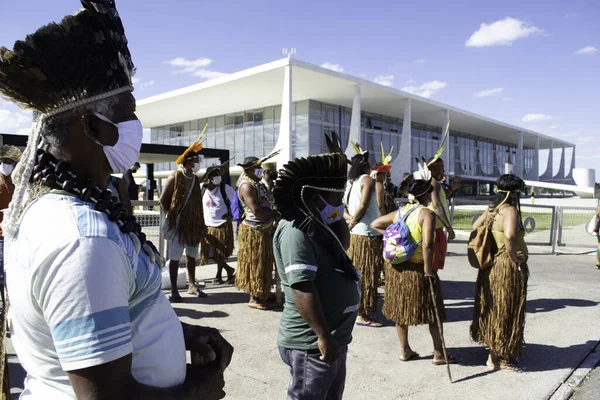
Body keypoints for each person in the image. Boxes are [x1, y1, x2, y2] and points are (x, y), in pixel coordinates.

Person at [0, 2, 233, 398]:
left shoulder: (73, 213)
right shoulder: (80, 241)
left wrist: (182, 333)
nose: (136, 127)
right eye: (128, 114)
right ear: (91, 126)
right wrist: (201, 390)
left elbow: (103, 318)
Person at [273, 132, 360, 400]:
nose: (339, 205)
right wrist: (323, 336)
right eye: (335, 199)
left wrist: (336, 215)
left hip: (334, 339)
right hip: (312, 343)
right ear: (311, 198)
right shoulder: (296, 231)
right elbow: (301, 287)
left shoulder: (320, 224)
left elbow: (343, 245)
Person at [371, 168, 455, 365]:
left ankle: (404, 350)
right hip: (418, 268)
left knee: (401, 312)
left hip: (399, 269)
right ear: (425, 194)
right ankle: (438, 353)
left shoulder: (401, 211)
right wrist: (428, 270)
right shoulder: (426, 214)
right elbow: (427, 244)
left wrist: (395, 241)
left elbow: (375, 223)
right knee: (434, 313)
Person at [470, 174, 529, 370]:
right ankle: (499, 358)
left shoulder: (493, 210)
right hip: (505, 267)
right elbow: (511, 236)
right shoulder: (510, 211)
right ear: (514, 194)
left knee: (495, 308)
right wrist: (515, 259)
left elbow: (474, 226)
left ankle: (497, 354)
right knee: (504, 310)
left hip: (491, 267)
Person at [160, 136, 207, 302]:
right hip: (179, 224)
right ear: (187, 162)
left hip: (193, 225)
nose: (197, 163)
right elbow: (163, 199)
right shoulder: (175, 177)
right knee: (174, 257)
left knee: (192, 255)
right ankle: (174, 291)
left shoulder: (194, 178)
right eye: (195, 160)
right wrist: (172, 216)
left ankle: (192, 285)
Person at [344, 145, 383, 327]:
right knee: (368, 275)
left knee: (358, 274)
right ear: (367, 165)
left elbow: (342, 205)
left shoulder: (350, 181)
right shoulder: (367, 180)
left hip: (355, 235)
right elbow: (363, 204)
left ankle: (357, 310)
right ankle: (363, 314)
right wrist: (353, 221)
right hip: (367, 234)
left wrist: (349, 220)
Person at [235, 155, 279, 310]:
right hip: (254, 231)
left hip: (263, 229)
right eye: (259, 167)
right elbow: (256, 210)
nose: (262, 170)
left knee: (264, 262)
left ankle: (263, 291)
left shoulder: (256, 183)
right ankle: (255, 297)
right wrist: (275, 214)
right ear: (252, 169)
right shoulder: (247, 186)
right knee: (256, 263)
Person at [200, 163, 236, 284]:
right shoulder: (202, 188)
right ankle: (228, 270)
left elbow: (236, 201)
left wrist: (231, 214)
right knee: (211, 253)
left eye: (219, 175)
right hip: (208, 225)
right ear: (209, 177)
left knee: (221, 252)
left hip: (222, 224)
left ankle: (219, 275)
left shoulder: (224, 188)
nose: (218, 177)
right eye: (215, 175)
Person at [0, 138, 21, 305]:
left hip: (14, 234)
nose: (6, 165)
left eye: (9, 162)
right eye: (3, 161)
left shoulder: (17, 184)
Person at [427, 158, 455, 270]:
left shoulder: (430, 183)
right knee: (434, 264)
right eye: (441, 168)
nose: (443, 170)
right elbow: (436, 205)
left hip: (432, 226)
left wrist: (452, 189)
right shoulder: (434, 183)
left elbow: (440, 200)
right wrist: (449, 227)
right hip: (435, 228)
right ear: (433, 169)